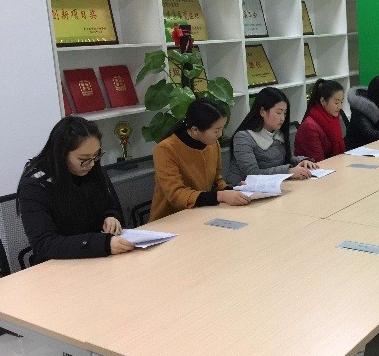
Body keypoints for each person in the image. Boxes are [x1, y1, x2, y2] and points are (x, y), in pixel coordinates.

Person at [17, 116, 135, 265]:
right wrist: (103, 244)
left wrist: (110, 217)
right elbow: (44, 244)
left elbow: (109, 206)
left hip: (99, 258)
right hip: (59, 265)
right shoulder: (35, 185)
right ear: (61, 155)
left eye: (96, 155)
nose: (91, 164)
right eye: (83, 159)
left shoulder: (91, 167)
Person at [150, 98, 250, 223]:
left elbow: (216, 181)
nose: (220, 134)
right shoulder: (166, 149)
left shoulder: (212, 144)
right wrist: (220, 196)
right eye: (216, 130)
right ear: (195, 130)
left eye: (222, 128)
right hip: (171, 220)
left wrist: (234, 191)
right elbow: (176, 194)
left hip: (204, 213)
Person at [229, 87, 317, 181]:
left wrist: (303, 161)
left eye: (285, 113)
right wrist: (288, 171)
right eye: (278, 113)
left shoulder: (278, 134)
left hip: (274, 185)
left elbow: (286, 159)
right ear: (262, 111)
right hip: (244, 188)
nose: (282, 118)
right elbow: (251, 174)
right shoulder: (243, 137)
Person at [294, 79, 347, 162]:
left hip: (333, 164)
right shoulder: (310, 127)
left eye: (341, 102)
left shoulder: (333, 118)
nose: (340, 106)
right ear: (323, 101)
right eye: (336, 103)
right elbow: (318, 161)